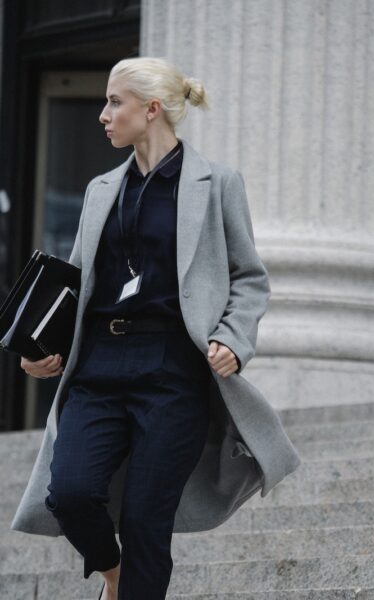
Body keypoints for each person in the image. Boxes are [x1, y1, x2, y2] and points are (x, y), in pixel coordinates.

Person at [18, 56, 278, 600]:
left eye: (115, 102)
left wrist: (233, 337)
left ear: (152, 109)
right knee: (69, 493)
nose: (103, 115)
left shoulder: (217, 183)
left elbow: (249, 278)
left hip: (173, 373)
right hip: (98, 369)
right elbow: (78, 285)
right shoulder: (99, 190)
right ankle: (113, 574)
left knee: (145, 523)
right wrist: (41, 347)